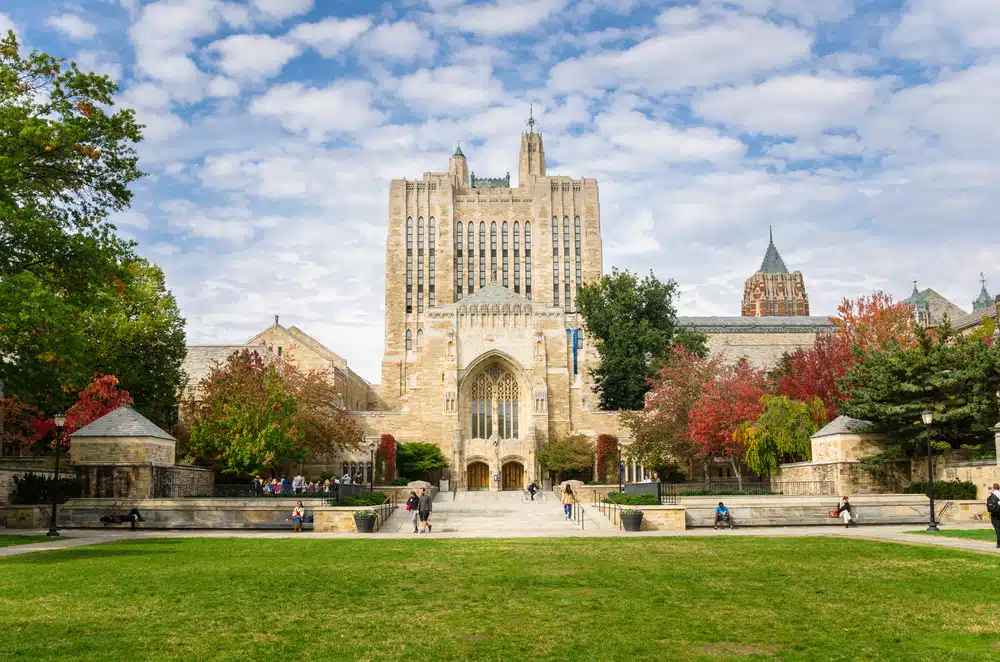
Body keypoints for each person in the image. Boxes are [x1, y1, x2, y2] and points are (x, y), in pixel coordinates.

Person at [988, 483, 1000, 548]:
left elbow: (986, 503)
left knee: (997, 528)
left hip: (995, 513)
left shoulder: (992, 494)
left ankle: (999, 543)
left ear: (993, 488)